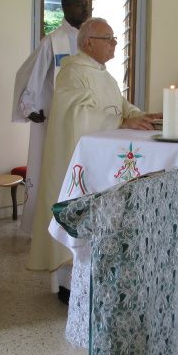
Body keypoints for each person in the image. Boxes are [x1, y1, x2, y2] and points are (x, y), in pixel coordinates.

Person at [27, 17, 157, 288]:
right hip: (78, 164)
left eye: (114, 38)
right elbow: (78, 116)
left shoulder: (102, 73)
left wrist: (138, 115)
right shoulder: (72, 72)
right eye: (108, 39)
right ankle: (68, 284)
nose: (113, 44)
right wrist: (121, 121)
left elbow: (118, 105)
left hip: (101, 160)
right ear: (88, 43)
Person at [12, 0, 89, 237]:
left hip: (84, 120)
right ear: (66, 8)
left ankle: (74, 223)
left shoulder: (89, 41)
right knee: (50, 170)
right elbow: (34, 74)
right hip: (54, 120)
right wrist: (30, 106)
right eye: (79, 5)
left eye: (86, 4)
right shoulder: (53, 41)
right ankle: (42, 226)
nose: (85, 9)